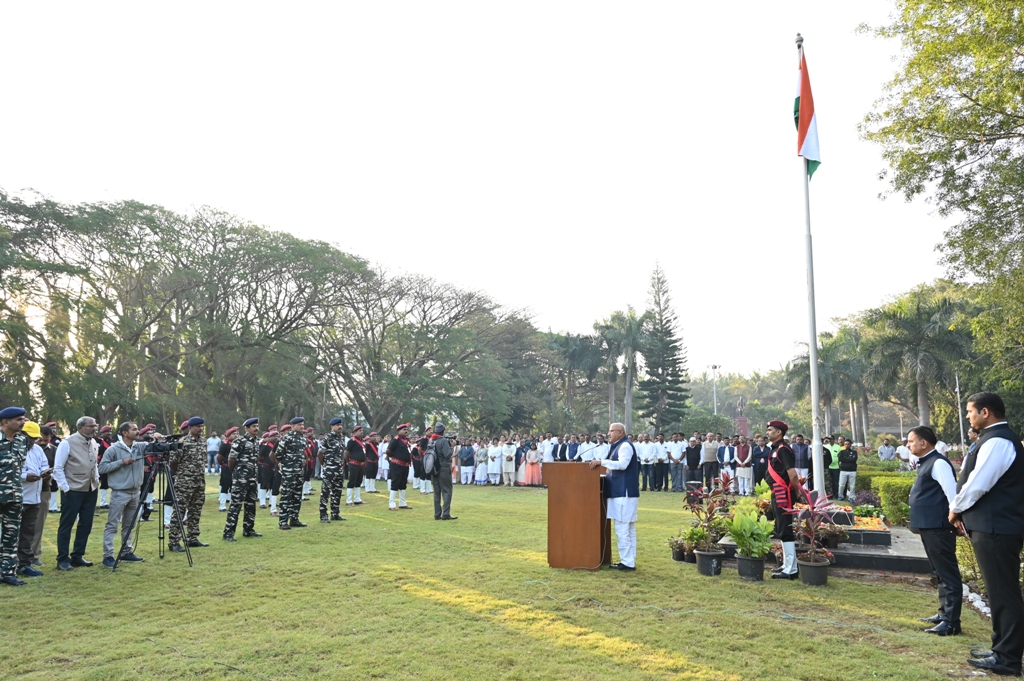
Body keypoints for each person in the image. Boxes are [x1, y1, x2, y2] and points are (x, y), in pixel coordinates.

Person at [949, 392, 1024, 676]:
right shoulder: (994, 439)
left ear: (985, 412)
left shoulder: (999, 441)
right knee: (998, 591)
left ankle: (1007, 658)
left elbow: (979, 484)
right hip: (994, 526)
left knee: (1004, 593)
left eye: (970, 411)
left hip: (998, 527)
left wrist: (955, 509)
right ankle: (1000, 648)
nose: (968, 416)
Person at [905, 425, 961, 636]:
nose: (908, 445)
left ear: (923, 443)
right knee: (939, 572)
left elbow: (951, 494)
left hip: (939, 527)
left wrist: (955, 520)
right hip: (930, 527)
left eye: (911, 441)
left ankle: (951, 621)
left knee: (948, 574)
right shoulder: (927, 462)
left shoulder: (938, 463)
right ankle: (944, 613)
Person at [97, 422, 147, 567]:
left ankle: (126, 552)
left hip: (135, 492)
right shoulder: (113, 449)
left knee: (129, 524)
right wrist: (121, 462)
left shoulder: (140, 447)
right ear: (125, 433)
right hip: (120, 492)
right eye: (134, 429)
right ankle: (108, 556)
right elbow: (102, 468)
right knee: (112, 525)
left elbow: (155, 449)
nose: (138, 432)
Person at [53, 415, 100, 571]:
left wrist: (96, 480)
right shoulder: (67, 443)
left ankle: (77, 556)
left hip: (90, 489)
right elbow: (58, 468)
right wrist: (65, 488)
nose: (94, 429)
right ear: (80, 428)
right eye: (91, 426)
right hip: (72, 490)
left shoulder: (93, 442)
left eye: (95, 426)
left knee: (86, 524)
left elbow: (95, 465)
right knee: (67, 525)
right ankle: (62, 559)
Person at [590, 422, 638, 571]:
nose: (608, 434)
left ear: (621, 433)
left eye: (611, 431)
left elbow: (623, 464)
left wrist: (601, 462)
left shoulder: (625, 446)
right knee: (627, 528)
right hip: (621, 492)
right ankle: (629, 560)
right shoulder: (616, 446)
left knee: (623, 528)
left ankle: (627, 563)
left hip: (624, 493)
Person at [766, 420, 802, 580]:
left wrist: (798, 493)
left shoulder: (783, 450)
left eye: (770, 430)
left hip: (784, 493)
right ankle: (786, 564)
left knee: (785, 530)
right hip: (777, 492)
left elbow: (792, 474)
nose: (768, 432)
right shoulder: (775, 449)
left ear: (779, 432)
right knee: (780, 528)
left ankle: (791, 569)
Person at [167, 417, 209, 552]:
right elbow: (173, 463)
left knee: (195, 510)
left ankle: (193, 538)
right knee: (179, 511)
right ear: (190, 428)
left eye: (202, 426)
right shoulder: (182, 442)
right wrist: (184, 475)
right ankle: (174, 541)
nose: (200, 429)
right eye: (197, 426)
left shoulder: (203, 442)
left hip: (199, 481)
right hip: (184, 482)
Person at [0, 407, 30, 586]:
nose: (22, 422)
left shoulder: (21, 440)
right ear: (6, 422)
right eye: (19, 419)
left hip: (15, 495)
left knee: (11, 536)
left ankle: (8, 573)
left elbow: (19, 467)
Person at [223, 418, 264, 541]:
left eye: (257, 426)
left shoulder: (256, 441)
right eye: (253, 426)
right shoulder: (239, 441)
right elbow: (231, 459)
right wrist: (237, 473)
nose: (256, 428)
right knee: (236, 505)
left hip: (252, 477)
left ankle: (248, 529)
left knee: (251, 504)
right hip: (241, 478)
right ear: (247, 429)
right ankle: (228, 533)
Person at [16, 421, 48, 578]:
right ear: (21, 434)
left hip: (34, 498)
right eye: (30, 438)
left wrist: (44, 472)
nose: (32, 441)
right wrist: (25, 477)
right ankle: (8, 563)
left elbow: (44, 464)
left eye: (35, 438)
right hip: (15, 497)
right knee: (9, 532)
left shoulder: (37, 450)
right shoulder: (11, 448)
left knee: (28, 532)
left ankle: (24, 564)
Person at [276, 418, 309, 530]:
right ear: (292, 426)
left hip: (299, 471)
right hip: (289, 472)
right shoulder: (287, 438)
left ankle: (294, 519)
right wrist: (286, 464)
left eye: (303, 425)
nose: (302, 427)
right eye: (299, 425)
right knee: (286, 495)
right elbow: (278, 454)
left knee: (297, 496)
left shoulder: (303, 439)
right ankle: (283, 521)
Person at [429, 423, 456, 520]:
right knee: (447, 490)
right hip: (443, 467)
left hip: (433, 468)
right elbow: (447, 454)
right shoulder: (443, 440)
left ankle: (437, 513)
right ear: (443, 431)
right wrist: (452, 446)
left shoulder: (431, 440)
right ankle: (446, 513)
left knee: (436, 492)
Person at [387, 424, 413, 511]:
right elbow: (388, 451)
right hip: (397, 464)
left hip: (405, 465)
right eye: (404, 429)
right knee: (395, 483)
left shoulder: (405, 440)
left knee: (403, 484)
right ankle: (392, 503)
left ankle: (402, 503)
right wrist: (394, 457)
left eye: (406, 429)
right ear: (399, 430)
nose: (406, 431)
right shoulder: (396, 440)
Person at [345, 425, 367, 506]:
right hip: (354, 463)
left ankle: (357, 498)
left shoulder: (362, 441)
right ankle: (349, 500)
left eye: (362, 430)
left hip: (361, 464)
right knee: (352, 481)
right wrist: (348, 461)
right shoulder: (352, 441)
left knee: (359, 481)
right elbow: (347, 452)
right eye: (359, 431)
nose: (361, 432)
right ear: (355, 432)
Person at [216, 427, 236, 511]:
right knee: (225, 485)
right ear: (228, 435)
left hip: (234, 467)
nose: (236, 435)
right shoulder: (225, 444)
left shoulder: (236, 444)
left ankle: (232, 504)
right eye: (234, 434)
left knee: (233, 486)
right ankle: (222, 505)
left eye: (237, 434)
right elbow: (219, 456)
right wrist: (223, 464)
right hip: (226, 466)